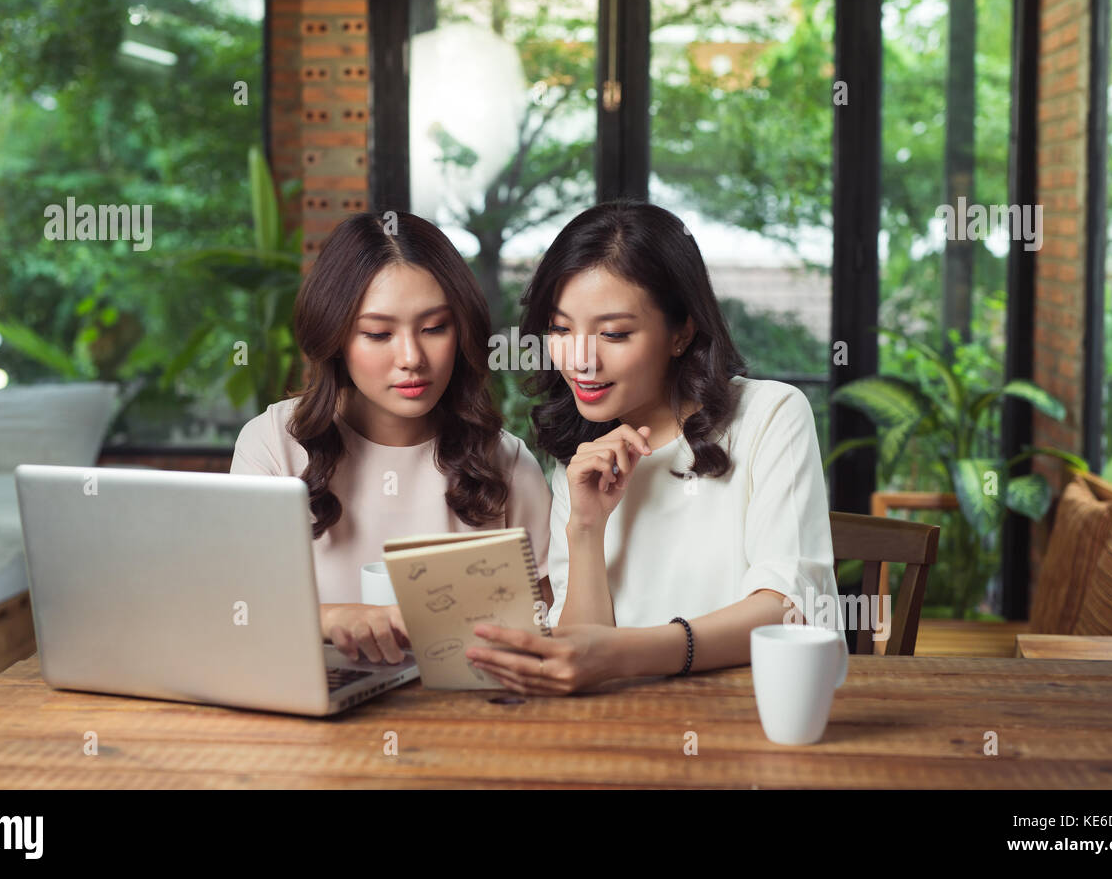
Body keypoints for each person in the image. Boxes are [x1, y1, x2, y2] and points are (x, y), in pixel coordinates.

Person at [464, 199, 841, 694]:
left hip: (752, 719)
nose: (580, 360)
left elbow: (787, 608)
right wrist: (585, 526)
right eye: (560, 329)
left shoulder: (770, 415)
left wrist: (627, 652)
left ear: (681, 332)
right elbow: (580, 659)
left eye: (614, 333)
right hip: (625, 727)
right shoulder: (580, 459)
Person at [231, 211, 553, 665]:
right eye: (378, 333)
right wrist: (327, 617)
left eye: (435, 328)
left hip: (466, 716)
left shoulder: (505, 461)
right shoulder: (273, 445)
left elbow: (546, 619)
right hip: (313, 709)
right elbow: (236, 609)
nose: (412, 358)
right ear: (337, 337)